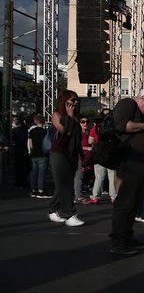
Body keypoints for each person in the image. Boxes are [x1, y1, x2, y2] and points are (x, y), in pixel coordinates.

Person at [109, 86, 144, 255]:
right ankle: (119, 240)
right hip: (128, 162)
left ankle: (127, 236)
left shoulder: (143, 114)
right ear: (143, 98)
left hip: (139, 163)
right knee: (125, 202)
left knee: (133, 203)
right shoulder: (127, 104)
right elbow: (121, 125)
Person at [48, 90, 85, 227]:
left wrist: (81, 155)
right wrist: (69, 117)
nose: (75, 103)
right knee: (65, 185)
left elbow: (77, 138)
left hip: (72, 153)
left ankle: (53, 209)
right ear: (65, 101)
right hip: (59, 153)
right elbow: (64, 130)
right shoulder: (57, 114)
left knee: (64, 183)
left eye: (76, 100)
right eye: (72, 100)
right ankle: (69, 214)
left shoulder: (76, 116)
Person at [88, 109, 117, 204]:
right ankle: (114, 196)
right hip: (111, 153)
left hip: (99, 153)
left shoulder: (96, 128)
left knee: (99, 177)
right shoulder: (114, 127)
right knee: (112, 177)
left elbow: (90, 141)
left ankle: (95, 196)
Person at [27, 114, 49, 198]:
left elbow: (30, 143)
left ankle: (33, 190)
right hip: (42, 154)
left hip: (34, 154)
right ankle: (41, 190)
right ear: (43, 121)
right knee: (41, 173)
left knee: (33, 173)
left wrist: (31, 150)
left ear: (35, 121)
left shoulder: (32, 131)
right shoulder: (44, 132)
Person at [11, 114, 30, 189]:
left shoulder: (16, 130)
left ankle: (18, 182)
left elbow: (14, 139)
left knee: (18, 166)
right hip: (24, 149)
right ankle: (23, 182)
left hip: (18, 149)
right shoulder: (26, 130)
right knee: (24, 167)